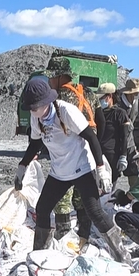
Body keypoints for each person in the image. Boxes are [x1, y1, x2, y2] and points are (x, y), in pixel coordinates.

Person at [16, 78, 130, 262]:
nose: (32, 111)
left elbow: (91, 138)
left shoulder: (66, 111)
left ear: (45, 103)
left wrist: (100, 168)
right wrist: (22, 166)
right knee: (42, 209)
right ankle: (39, 255)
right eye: (30, 108)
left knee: (95, 212)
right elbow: (35, 144)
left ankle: (122, 255)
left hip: (82, 167)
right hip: (59, 171)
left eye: (35, 107)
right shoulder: (36, 118)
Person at [42, 57, 104, 243]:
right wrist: (96, 145)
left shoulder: (57, 97)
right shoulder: (88, 92)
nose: (49, 81)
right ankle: (83, 237)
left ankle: (63, 238)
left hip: (70, 154)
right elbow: (101, 121)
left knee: (62, 200)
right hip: (89, 153)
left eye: (51, 77)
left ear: (60, 77)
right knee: (83, 199)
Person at [96, 83, 132, 184]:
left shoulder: (120, 113)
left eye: (102, 98)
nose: (99, 101)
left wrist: (123, 156)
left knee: (109, 185)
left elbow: (124, 136)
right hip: (97, 153)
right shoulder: (97, 113)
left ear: (109, 96)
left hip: (112, 155)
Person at [119, 78, 139, 181]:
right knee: (113, 173)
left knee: (134, 170)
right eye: (137, 92)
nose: (138, 94)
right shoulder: (118, 104)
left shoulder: (136, 102)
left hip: (130, 142)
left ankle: (134, 191)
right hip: (117, 142)